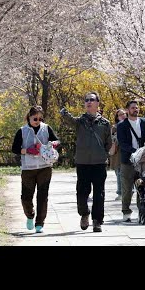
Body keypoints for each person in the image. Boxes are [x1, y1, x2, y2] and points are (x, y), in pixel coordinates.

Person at [60, 91, 113, 233]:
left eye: (92, 99)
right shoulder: (80, 122)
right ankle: (84, 213)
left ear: (97, 104)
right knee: (82, 193)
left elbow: (109, 144)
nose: (88, 102)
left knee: (99, 194)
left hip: (99, 163)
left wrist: (106, 154)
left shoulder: (105, 123)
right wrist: (64, 113)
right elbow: (69, 120)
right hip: (83, 163)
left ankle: (97, 221)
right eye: (86, 100)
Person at [10, 105, 59, 233]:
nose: (38, 121)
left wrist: (54, 144)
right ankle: (30, 215)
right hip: (28, 168)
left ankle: (40, 223)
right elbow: (14, 148)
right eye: (35, 118)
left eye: (40, 118)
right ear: (29, 117)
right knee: (26, 197)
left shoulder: (46, 128)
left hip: (45, 167)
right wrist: (27, 150)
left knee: (43, 196)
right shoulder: (22, 131)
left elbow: (56, 141)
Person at [116, 99, 145, 222]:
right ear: (127, 110)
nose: (136, 109)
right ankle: (126, 212)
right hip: (128, 161)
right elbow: (122, 144)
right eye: (133, 108)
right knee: (127, 189)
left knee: (142, 187)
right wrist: (135, 151)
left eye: (137, 107)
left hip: (143, 161)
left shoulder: (144, 122)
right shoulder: (122, 125)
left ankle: (142, 211)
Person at [110, 108, 127, 201]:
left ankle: (128, 191)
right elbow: (111, 139)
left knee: (127, 173)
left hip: (127, 152)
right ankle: (120, 192)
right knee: (119, 173)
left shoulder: (130, 125)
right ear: (117, 117)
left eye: (124, 114)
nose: (123, 116)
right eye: (120, 114)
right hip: (117, 153)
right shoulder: (114, 127)